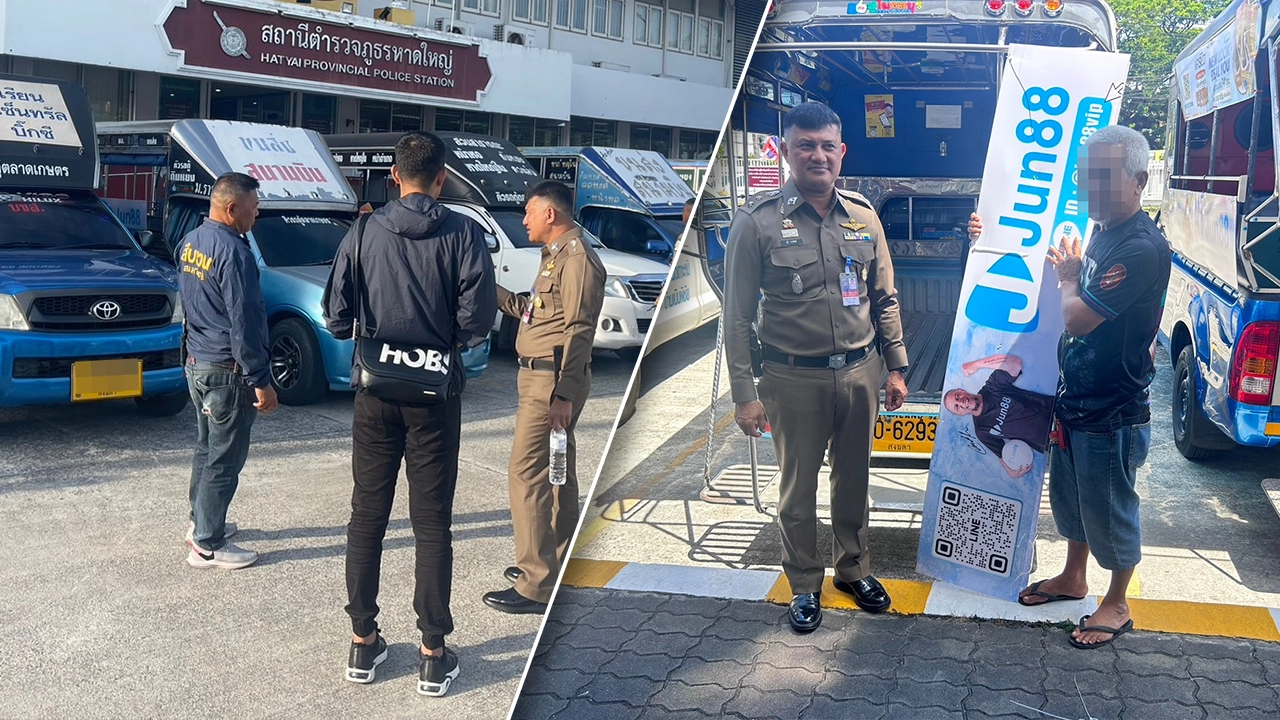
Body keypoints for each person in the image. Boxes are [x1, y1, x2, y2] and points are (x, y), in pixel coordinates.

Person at [968, 124, 1169, 648]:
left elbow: (1077, 317)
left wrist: (1068, 280)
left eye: (1103, 177)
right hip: (1075, 399)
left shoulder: (1142, 247)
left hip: (1112, 408)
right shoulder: (1104, 228)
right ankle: (1074, 577)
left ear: (1139, 180)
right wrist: (987, 237)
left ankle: (1117, 602)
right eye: (1086, 177)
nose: (1091, 188)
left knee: (1110, 506)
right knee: (1074, 500)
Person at [723, 101, 909, 633]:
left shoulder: (863, 216)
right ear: (786, 151)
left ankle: (854, 569)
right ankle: (805, 583)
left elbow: (885, 298)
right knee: (797, 488)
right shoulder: (756, 224)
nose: (818, 155)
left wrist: (895, 368)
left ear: (842, 152)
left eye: (828, 145)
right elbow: (735, 318)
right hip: (790, 378)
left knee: (854, 479)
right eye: (805, 145)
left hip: (859, 371)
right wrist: (744, 394)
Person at [323, 131, 497, 695]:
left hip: (374, 396)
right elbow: (476, 323)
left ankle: (362, 641)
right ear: (442, 177)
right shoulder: (464, 233)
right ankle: (432, 650)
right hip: (434, 400)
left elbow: (336, 314)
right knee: (432, 525)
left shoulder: (364, 229)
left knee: (367, 518)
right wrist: (436, 342)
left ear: (395, 176)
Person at [483, 180, 606, 615]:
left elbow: (579, 330)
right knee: (556, 474)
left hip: (551, 384)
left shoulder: (577, 260)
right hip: (541, 380)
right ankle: (549, 564)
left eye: (529, 213)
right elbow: (535, 311)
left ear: (550, 214)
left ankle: (535, 584)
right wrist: (490, 289)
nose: (524, 221)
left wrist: (564, 393)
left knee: (527, 475)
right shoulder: (554, 258)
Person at [177, 171, 278, 571]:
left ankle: (200, 522)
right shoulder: (234, 252)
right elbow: (246, 320)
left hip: (198, 364)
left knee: (205, 449)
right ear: (232, 209)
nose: (256, 217)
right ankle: (207, 545)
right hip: (227, 371)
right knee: (224, 458)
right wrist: (261, 380)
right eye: (253, 210)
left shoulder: (192, 242)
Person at [942, 353, 1055, 477]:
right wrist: (1012, 472)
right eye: (957, 406)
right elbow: (1005, 458)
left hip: (1059, 413)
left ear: (961, 390)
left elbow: (1015, 363)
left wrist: (976, 364)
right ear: (961, 414)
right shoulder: (982, 431)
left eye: (957, 396)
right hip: (1054, 442)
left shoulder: (992, 387)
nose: (961, 402)